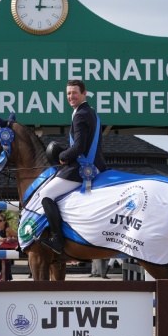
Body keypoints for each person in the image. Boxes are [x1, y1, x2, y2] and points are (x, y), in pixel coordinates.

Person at [31, 79, 107, 254]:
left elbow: (79, 147)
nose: (71, 96)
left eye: (74, 93)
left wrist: (63, 156)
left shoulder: (80, 115)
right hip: (96, 163)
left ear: (84, 93)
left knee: (45, 193)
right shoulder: (91, 112)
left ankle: (57, 239)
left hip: (83, 167)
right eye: (68, 93)